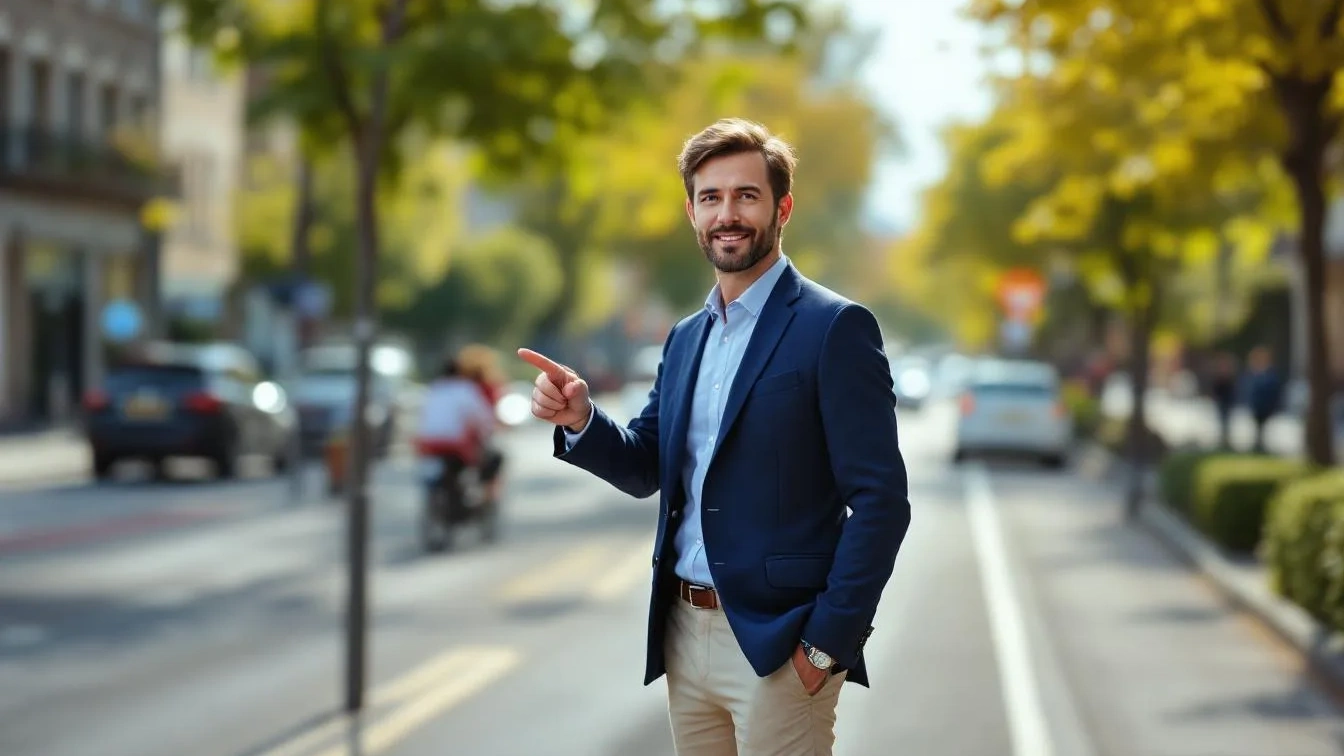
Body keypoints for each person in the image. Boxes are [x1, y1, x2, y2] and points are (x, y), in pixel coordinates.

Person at [518, 118, 910, 755]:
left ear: (782, 207)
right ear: (692, 214)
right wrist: (581, 420)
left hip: (780, 647)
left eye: (746, 196)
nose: (727, 214)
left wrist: (825, 646)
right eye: (711, 198)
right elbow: (650, 464)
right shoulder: (684, 337)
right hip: (682, 631)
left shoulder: (835, 328)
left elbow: (882, 501)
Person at [415, 355, 502, 498]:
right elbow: (481, 416)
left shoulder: (433, 389)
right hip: (455, 443)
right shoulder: (466, 389)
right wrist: (488, 430)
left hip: (428, 441)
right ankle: (485, 496)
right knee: (493, 458)